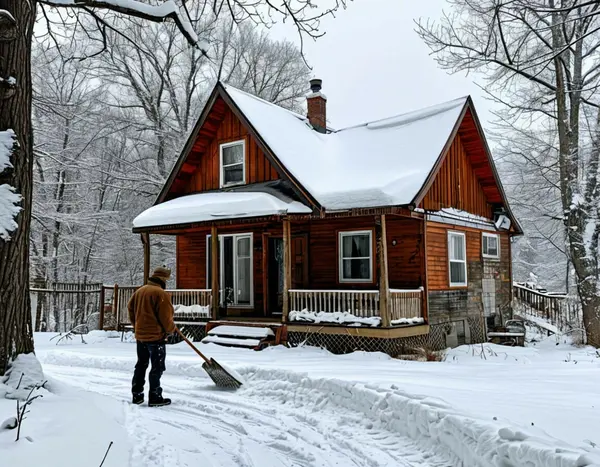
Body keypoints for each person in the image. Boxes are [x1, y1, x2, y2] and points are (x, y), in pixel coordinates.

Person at [128, 265, 176, 407]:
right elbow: (166, 317)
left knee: (141, 365)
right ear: (163, 279)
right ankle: (155, 396)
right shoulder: (161, 294)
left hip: (140, 336)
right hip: (156, 337)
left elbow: (130, 309)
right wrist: (171, 329)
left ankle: (137, 395)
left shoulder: (139, 291)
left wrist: (136, 325)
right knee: (157, 367)